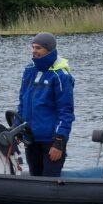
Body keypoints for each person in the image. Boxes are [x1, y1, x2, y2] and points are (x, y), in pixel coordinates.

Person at [17, 32, 75, 177]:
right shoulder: (29, 70)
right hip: (31, 140)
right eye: (33, 47)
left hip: (51, 142)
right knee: (35, 179)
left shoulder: (61, 76)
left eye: (38, 48)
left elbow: (66, 112)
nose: (34, 51)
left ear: (49, 50)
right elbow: (22, 103)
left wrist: (59, 142)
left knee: (49, 183)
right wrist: (17, 128)